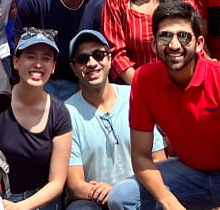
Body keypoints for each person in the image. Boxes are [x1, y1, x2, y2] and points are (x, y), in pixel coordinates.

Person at [109, 0, 220, 210]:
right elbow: (140, 156)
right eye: (165, 36)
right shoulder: (143, 81)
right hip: (189, 172)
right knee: (121, 196)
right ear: (154, 44)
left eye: (183, 36)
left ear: (199, 43)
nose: (174, 45)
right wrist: (169, 203)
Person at [63, 29, 165, 210]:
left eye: (99, 55)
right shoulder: (67, 112)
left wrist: (122, 193)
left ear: (110, 59)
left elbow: (159, 160)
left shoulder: (135, 97)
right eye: (82, 59)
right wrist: (111, 195)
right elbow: (75, 185)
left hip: (140, 192)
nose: (92, 63)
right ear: (74, 67)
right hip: (96, 199)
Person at [0, 29, 74, 210]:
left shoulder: (59, 113)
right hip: (0, 199)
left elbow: (57, 182)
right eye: (31, 57)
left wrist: (21, 207)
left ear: (53, 66)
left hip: (42, 203)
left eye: (46, 58)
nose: (38, 65)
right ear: (16, 62)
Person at [16, 0, 105, 100]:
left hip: (79, 82)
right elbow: (21, 51)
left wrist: (79, 99)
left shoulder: (99, 5)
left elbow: (98, 57)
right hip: (38, 79)